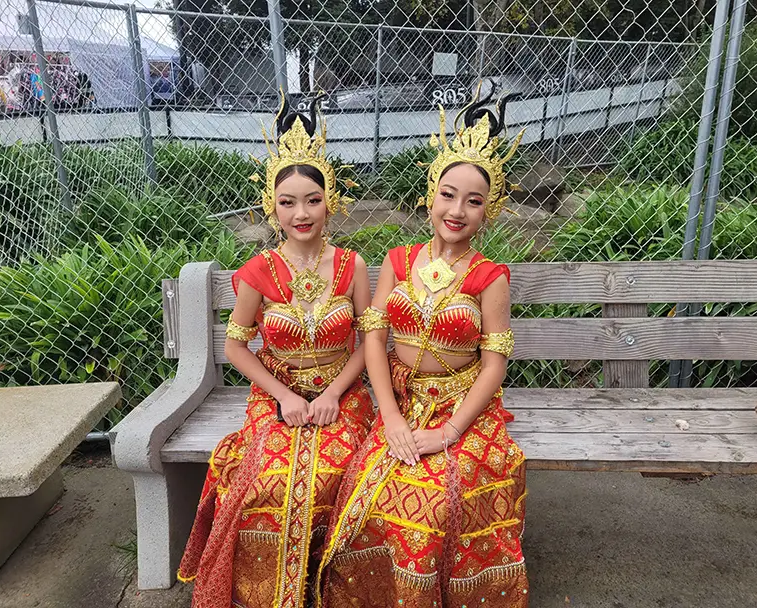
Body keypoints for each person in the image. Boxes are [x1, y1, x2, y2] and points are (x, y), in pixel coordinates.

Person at [316, 85, 529, 607]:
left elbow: (494, 364)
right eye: (448, 195)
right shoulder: (397, 259)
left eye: (474, 201)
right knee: (363, 499)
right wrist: (389, 416)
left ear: (488, 211)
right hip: (401, 399)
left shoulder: (488, 276)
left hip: (462, 407)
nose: (457, 210)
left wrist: (451, 430)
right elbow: (373, 338)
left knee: (434, 504)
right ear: (430, 195)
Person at [177, 94, 375, 608]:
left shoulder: (352, 266)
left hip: (342, 394)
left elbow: (368, 343)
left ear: (331, 200)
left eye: (312, 199)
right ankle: (267, 594)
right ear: (272, 205)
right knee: (264, 476)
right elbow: (236, 347)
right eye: (287, 202)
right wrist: (284, 396)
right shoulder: (257, 271)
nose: (301, 213)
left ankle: (330, 588)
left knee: (340, 471)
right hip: (275, 393)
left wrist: (334, 391)